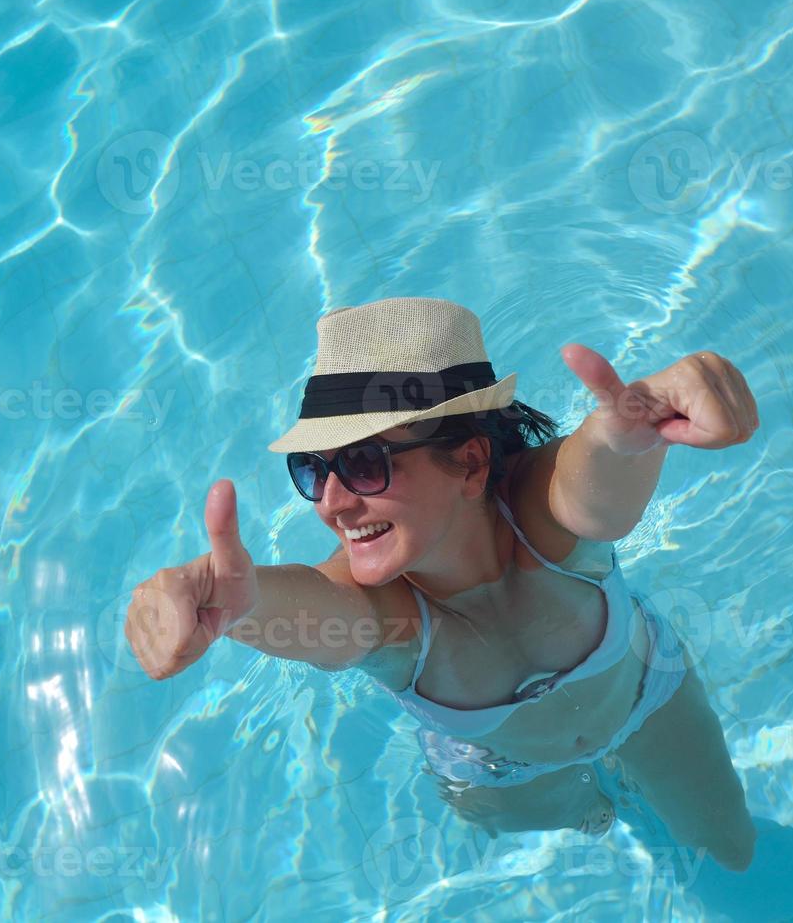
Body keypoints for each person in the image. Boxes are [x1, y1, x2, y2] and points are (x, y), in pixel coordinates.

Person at [125, 297, 758, 871]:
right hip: (504, 773)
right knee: (572, 836)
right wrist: (240, 603)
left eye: (364, 463)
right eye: (313, 472)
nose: (332, 503)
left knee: (729, 854)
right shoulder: (390, 612)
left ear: (471, 462)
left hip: (647, 701)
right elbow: (320, 609)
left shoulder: (543, 521)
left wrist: (642, 429)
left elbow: (595, 478)